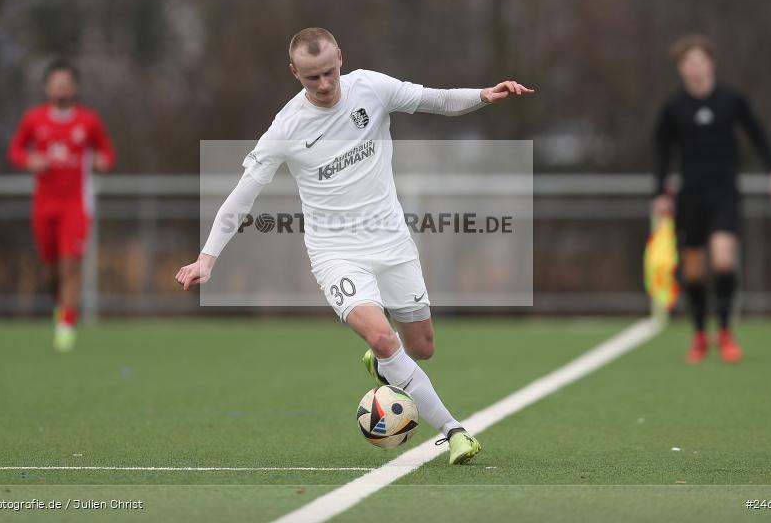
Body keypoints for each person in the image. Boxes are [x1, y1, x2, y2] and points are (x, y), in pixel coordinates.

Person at [176, 27, 533, 464]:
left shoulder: (371, 88)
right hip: (335, 252)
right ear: (294, 73)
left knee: (421, 347)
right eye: (311, 78)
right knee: (384, 337)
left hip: (392, 240)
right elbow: (243, 194)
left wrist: (483, 95)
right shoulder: (286, 126)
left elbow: (432, 100)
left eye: (329, 72)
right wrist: (206, 258)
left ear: (340, 58)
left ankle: (384, 366)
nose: (324, 85)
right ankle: (455, 431)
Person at [652, 34, 771, 364]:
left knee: (724, 260)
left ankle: (725, 332)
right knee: (694, 272)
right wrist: (659, 192)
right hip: (690, 196)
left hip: (725, 192)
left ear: (710, 63)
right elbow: (661, 152)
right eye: (686, 63)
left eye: (698, 60)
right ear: (680, 69)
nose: (693, 67)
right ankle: (700, 335)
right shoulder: (673, 108)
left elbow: (757, 134)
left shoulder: (732, 100)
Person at [8, 60, 115, 352]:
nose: (61, 87)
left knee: (71, 266)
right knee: (50, 270)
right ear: (46, 87)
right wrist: (30, 160)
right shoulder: (34, 119)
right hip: (44, 205)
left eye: (66, 82)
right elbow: (16, 149)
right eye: (56, 82)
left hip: (76, 205)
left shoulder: (89, 121)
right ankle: (61, 307)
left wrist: (102, 162)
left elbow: (107, 153)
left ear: (74, 87)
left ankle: (66, 327)